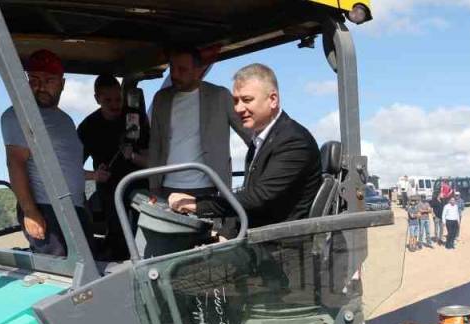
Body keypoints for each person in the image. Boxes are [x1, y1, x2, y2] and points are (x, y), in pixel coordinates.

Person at [170, 64, 321, 232]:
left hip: (282, 245)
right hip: (260, 236)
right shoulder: (260, 140)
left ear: (273, 100)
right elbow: (250, 199)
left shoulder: (293, 141)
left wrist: (196, 205)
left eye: (247, 100)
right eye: (236, 101)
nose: (238, 109)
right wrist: (223, 233)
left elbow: (258, 198)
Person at [1, 49, 92, 257]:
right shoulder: (18, 115)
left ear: (62, 83)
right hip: (46, 208)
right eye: (34, 79)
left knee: (88, 270)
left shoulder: (65, 120)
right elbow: (16, 163)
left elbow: (66, 165)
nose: (41, 86)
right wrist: (30, 212)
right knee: (63, 274)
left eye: (49, 80)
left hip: (75, 207)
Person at [149, 47, 251, 201]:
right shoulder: (161, 99)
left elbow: (250, 134)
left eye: (182, 69)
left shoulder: (220, 96)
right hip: (167, 189)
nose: (175, 74)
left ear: (198, 71)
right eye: (173, 68)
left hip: (210, 189)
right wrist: (153, 187)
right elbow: (155, 145)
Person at [78, 74, 150, 261]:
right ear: (97, 99)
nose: (114, 104)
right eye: (107, 100)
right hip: (110, 192)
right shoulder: (88, 127)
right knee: (118, 237)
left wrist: (133, 156)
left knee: (144, 235)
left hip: (141, 187)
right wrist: (95, 175)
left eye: (118, 99)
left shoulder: (135, 118)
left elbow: (153, 156)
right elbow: (71, 168)